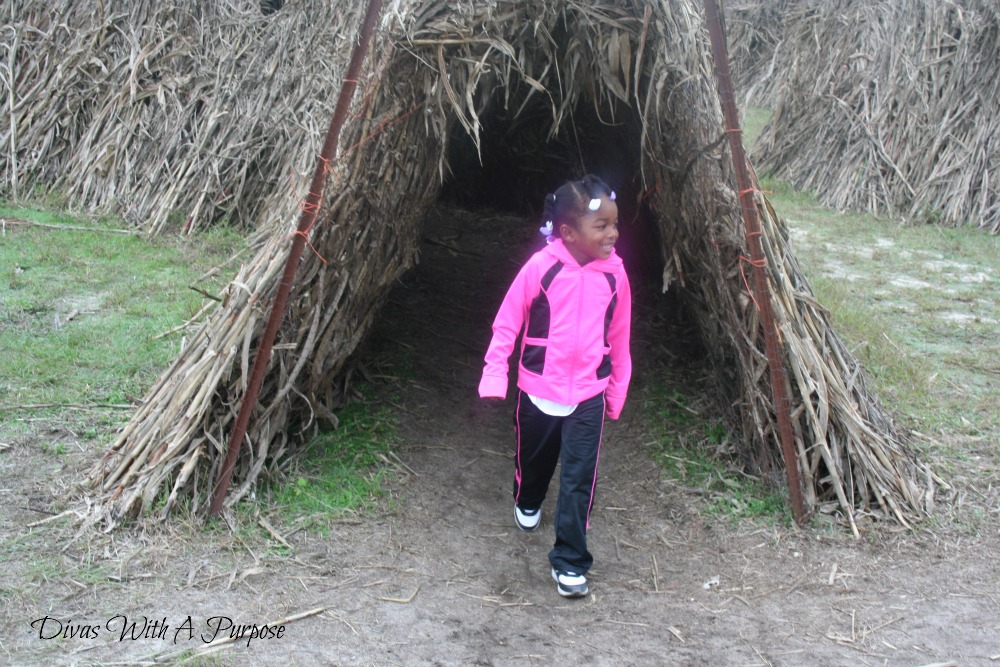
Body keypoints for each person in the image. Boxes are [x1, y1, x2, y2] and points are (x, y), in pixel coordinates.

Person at [478, 174, 632, 598]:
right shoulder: (540, 269)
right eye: (601, 226)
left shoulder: (615, 277)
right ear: (568, 232)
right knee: (535, 458)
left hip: (589, 392)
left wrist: (615, 392)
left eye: (615, 225)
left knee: (580, 479)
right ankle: (527, 497)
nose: (612, 234)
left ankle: (569, 561)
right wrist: (496, 373)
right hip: (538, 387)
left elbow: (619, 340)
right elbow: (507, 322)